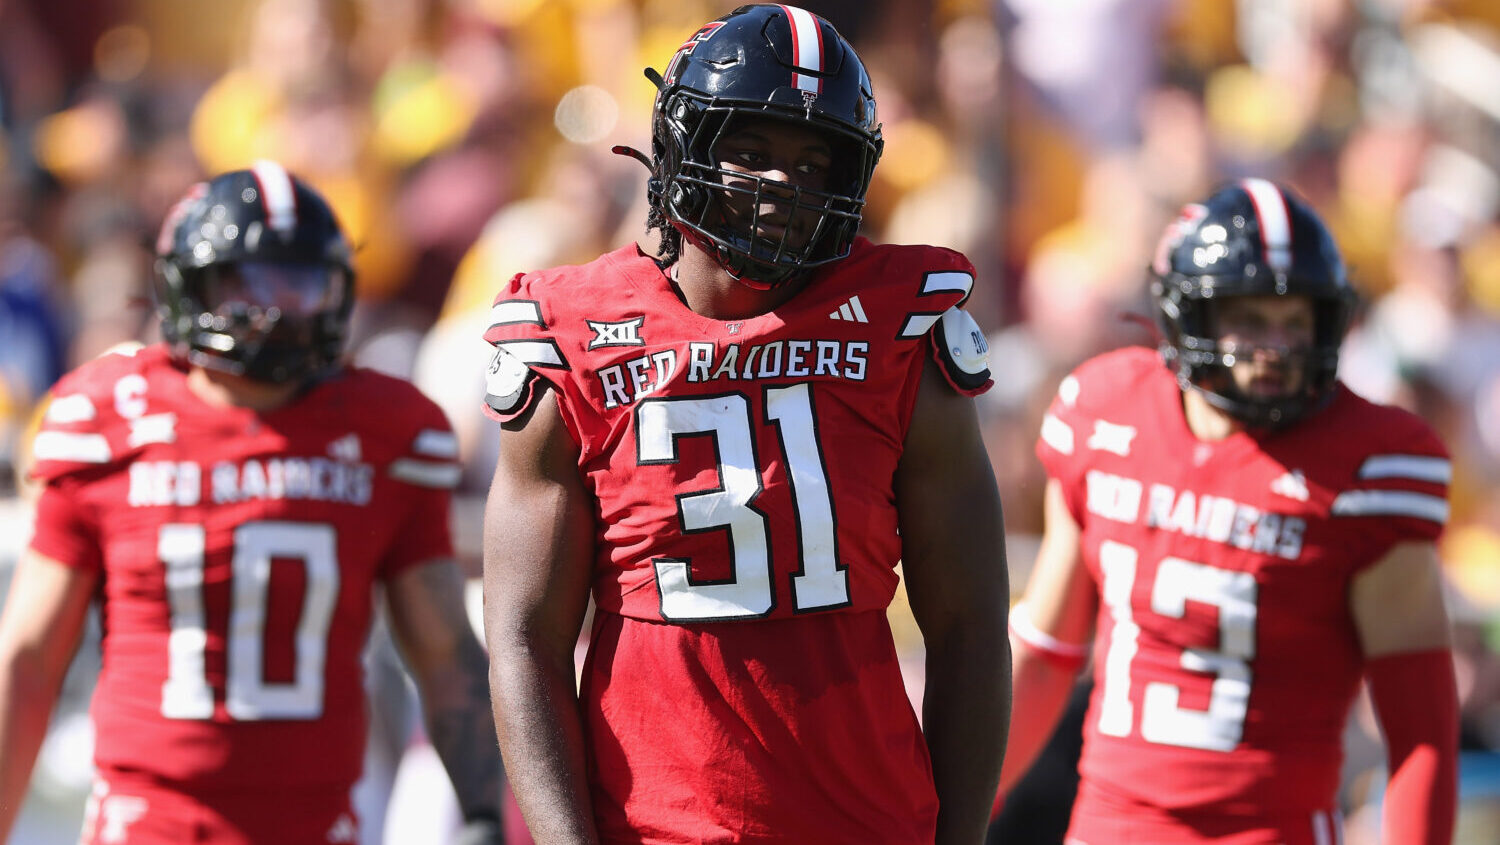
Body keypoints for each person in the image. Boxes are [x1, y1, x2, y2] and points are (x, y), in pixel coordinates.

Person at [480, 5, 1010, 844]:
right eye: (750, 152)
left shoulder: (899, 327)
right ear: (684, 146)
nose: (782, 186)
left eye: (813, 161)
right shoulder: (574, 332)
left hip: (868, 822)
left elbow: (971, 626)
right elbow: (523, 640)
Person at [0, 162, 506, 845]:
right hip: (148, 825)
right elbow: (28, 658)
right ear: (188, 283)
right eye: (247, 282)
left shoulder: (386, 431)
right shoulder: (107, 416)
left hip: (313, 825)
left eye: (299, 283)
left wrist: (481, 813)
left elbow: (445, 653)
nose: (274, 308)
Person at [1000, 178, 1458, 844]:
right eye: (1249, 318)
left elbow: (1421, 732)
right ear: (1190, 315)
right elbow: (1045, 654)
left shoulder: (1369, 468)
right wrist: (948, 811)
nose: (1274, 346)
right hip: (1109, 825)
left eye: (1295, 321)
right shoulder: (1106, 413)